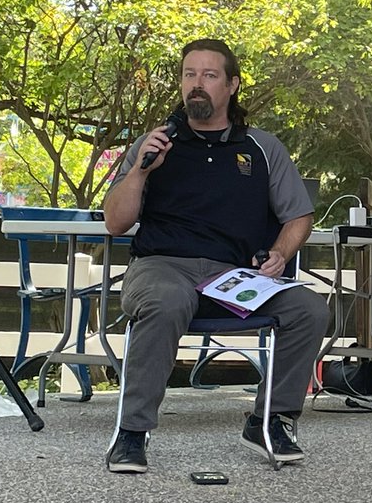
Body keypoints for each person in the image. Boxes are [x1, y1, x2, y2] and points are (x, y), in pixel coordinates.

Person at [103, 39, 329, 474]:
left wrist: (281, 254)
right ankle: (132, 433)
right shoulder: (153, 145)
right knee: (168, 302)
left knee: (308, 308)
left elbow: (299, 216)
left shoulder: (262, 148)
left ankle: (271, 419)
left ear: (232, 85)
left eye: (209, 76)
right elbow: (116, 223)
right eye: (190, 75)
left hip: (233, 277)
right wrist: (139, 170)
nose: (197, 85)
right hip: (160, 267)